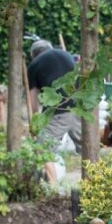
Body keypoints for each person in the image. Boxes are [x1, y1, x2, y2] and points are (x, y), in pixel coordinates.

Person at [27, 39, 81, 182]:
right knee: (87, 148)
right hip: (80, 107)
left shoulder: (34, 65)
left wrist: (35, 125)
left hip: (58, 111)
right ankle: (96, 182)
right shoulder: (66, 54)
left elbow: (33, 104)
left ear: (33, 55)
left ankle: (53, 188)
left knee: (42, 150)